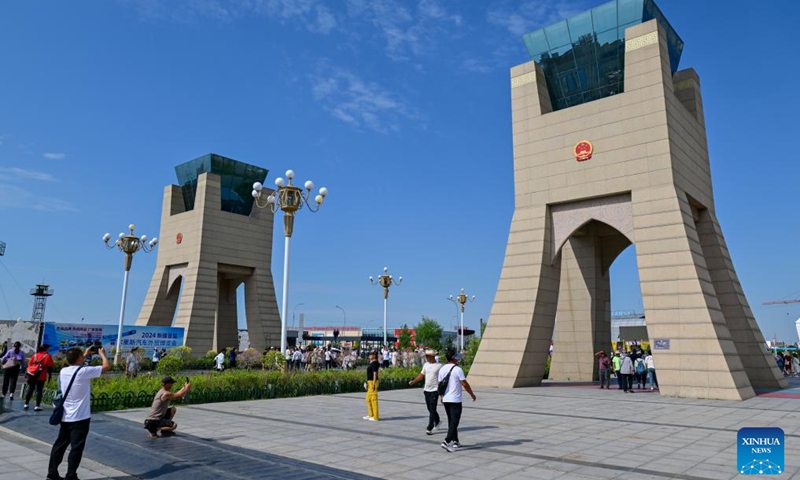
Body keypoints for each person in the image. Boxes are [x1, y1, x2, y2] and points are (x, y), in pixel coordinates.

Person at [47, 344, 110, 480]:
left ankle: (52, 474)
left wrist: (85, 354)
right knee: (76, 448)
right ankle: (71, 475)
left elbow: (72, 363)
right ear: (80, 358)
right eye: (82, 356)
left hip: (65, 417)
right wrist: (102, 354)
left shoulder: (64, 371)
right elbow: (106, 367)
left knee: (59, 445)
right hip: (80, 417)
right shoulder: (83, 372)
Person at [438, 349, 476, 452]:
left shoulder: (442, 369)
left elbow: (440, 384)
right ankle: (446, 441)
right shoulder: (457, 369)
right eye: (457, 357)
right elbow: (464, 384)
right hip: (455, 399)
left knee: (451, 420)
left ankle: (455, 441)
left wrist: (441, 396)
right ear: (454, 358)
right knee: (455, 421)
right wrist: (472, 394)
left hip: (446, 399)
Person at [409, 348, 441, 435]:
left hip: (435, 390)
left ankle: (429, 427)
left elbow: (441, 379)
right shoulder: (426, 365)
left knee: (432, 408)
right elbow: (421, 375)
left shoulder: (439, 366)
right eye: (426, 356)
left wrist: (441, 390)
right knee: (429, 408)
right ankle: (437, 420)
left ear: (432, 356)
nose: (426, 358)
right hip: (426, 390)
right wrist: (414, 381)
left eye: (427, 356)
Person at [24, 343, 54, 411]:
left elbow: (29, 364)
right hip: (41, 375)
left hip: (31, 374)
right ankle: (37, 406)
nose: (49, 349)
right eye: (48, 348)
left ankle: (26, 404)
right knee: (39, 390)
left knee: (30, 388)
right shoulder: (47, 356)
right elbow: (50, 367)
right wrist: (50, 376)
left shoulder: (34, 355)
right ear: (46, 349)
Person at [364, 351, 380, 421]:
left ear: (374, 356)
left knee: (373, 399)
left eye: (370, 355)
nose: (369, 356)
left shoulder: (375, 363)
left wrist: (373, 383)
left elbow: (375, 374)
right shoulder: (372, 363)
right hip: (369, 382)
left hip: (373, 382)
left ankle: (375, 416)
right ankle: (371, 414)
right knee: (368, 399)